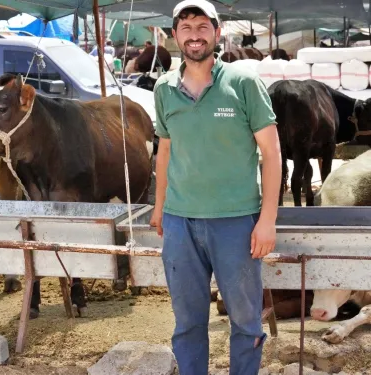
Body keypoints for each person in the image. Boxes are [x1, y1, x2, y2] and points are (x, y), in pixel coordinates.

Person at [149, 1, 282, 374]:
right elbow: (165, 151)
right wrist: (159, 208)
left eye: (203, 26)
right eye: (186, 27)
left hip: (235, 222)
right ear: (175, 36)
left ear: (217, 33)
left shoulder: (242, 83)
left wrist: (267, 220)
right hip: (179, 223)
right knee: (188, 322)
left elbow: (271, 153)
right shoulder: (164, 89)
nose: (195, 35)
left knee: (245, 321)